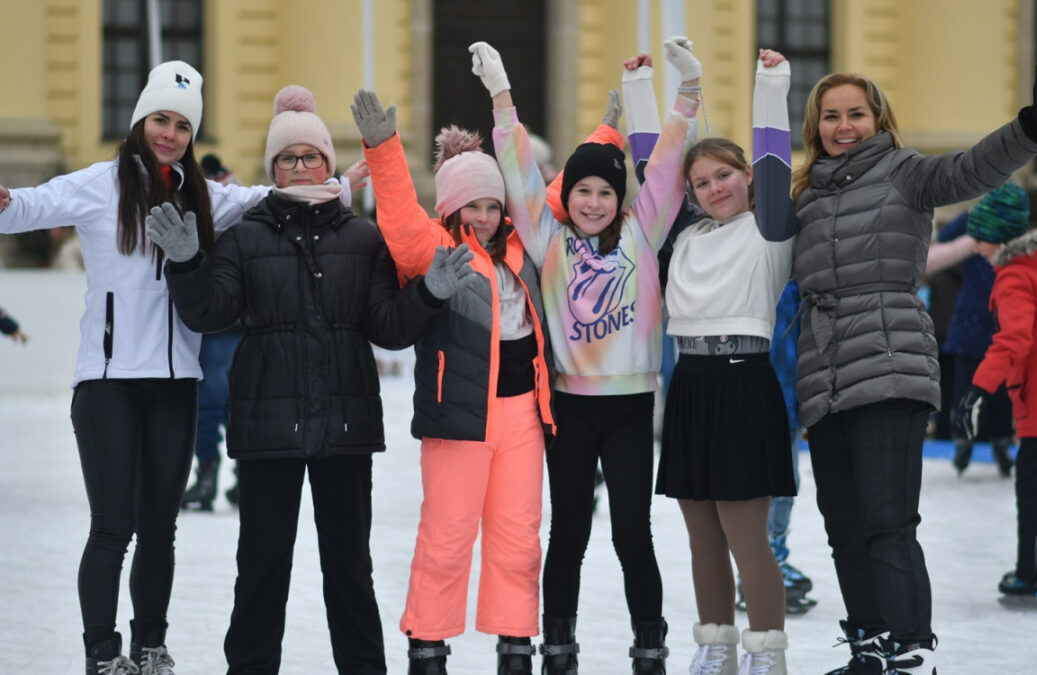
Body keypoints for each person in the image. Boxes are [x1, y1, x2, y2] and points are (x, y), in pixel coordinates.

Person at [147, 84, 471, 675]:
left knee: (349, 570)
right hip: (267, 425)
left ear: (327, 162)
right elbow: (210, 312)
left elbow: (387, 327)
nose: (300, 166)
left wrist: (428, 293)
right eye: (287, 158)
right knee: (263, 570)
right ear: (273, 167)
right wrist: (189, 263)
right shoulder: (245, 237)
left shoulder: (363, 238)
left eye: (311, 156)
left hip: (345, 427)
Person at [790, 54, 1037, 675]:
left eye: (857, 114)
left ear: (878, 119)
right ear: (816, 126)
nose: (845, 126)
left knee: (887, 519)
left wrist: (1036, 123)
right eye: (831, 116)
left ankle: (909, 647)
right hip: (825, 372)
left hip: (892, 364)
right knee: (842, 524)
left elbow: (974, 167)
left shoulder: (906, 173)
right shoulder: (804, 195)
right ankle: (868, 645)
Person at [0, 60, 290, 675]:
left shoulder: (202, 195)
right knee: (113, 526)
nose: (170, 134)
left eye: (183, 126)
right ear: (140, 121)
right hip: (107, 384)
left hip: (175, 385)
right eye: (161, 119)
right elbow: (24, 206)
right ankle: (103, 654)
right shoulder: (99, 185)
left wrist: (338, 183)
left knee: (161, 529)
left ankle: (150, 646)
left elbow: (271, 199)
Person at [476, 37, 699, 673]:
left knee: (633, 535)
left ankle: (649, 642)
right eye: (582, 192)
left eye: (605, 192)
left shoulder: (643, 228)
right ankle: (559, 642)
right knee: (568, 534)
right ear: (566, 196)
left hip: (630, 407)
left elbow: (665, 167)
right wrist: (502, 97)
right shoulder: (547, 238)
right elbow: (519, 173)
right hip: (570, 410)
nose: (594, 202)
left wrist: (686, 92)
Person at [352, 86, 560, 675]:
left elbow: (555, 190)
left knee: (518, 538)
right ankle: (428, 645)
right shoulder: (436, 252)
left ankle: (516, 643)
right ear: (451, 210)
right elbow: (395, 215)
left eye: (493, 206)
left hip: (521, 415)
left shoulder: (520, 252)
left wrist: (607, 136)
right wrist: (383, 148)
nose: (486, 217)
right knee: (446, 539)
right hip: (459, 415)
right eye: (473, 207)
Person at [654, 49, 796, 675]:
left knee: (746, 537)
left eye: (723, 175)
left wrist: (772, 83)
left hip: (744, 385)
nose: (714, 189)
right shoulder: (684, 237)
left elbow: (774, 158)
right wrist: (641, 85)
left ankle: (767, 651)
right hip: (690, 383)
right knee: (701, 536)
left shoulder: (768, 229)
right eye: (701, 183)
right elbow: (650, 175)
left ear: (746, 176)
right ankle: (717, 644)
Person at [957, 184, 1037, 603]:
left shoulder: (1016, 276)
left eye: (980, 237)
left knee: (1035, 491)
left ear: (1000, 237)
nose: (975, 247)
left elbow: (1014, 341)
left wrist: (977, 389)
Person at [179, 153, 245, 511]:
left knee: (227, 402)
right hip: (211, 329)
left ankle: (228, 475)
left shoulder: (236, 210)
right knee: (213, 403)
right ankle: (214, 475)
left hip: (228, 329)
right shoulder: (199, 209)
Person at [937, 210, 1015, 476]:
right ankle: (963, 443)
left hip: (998, 327)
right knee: (964, 391)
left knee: (1000, 396)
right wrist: (972, 216)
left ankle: (1002, 445)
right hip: (971, 327)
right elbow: (945, 236)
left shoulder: (1011, 243)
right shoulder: (975, 242)